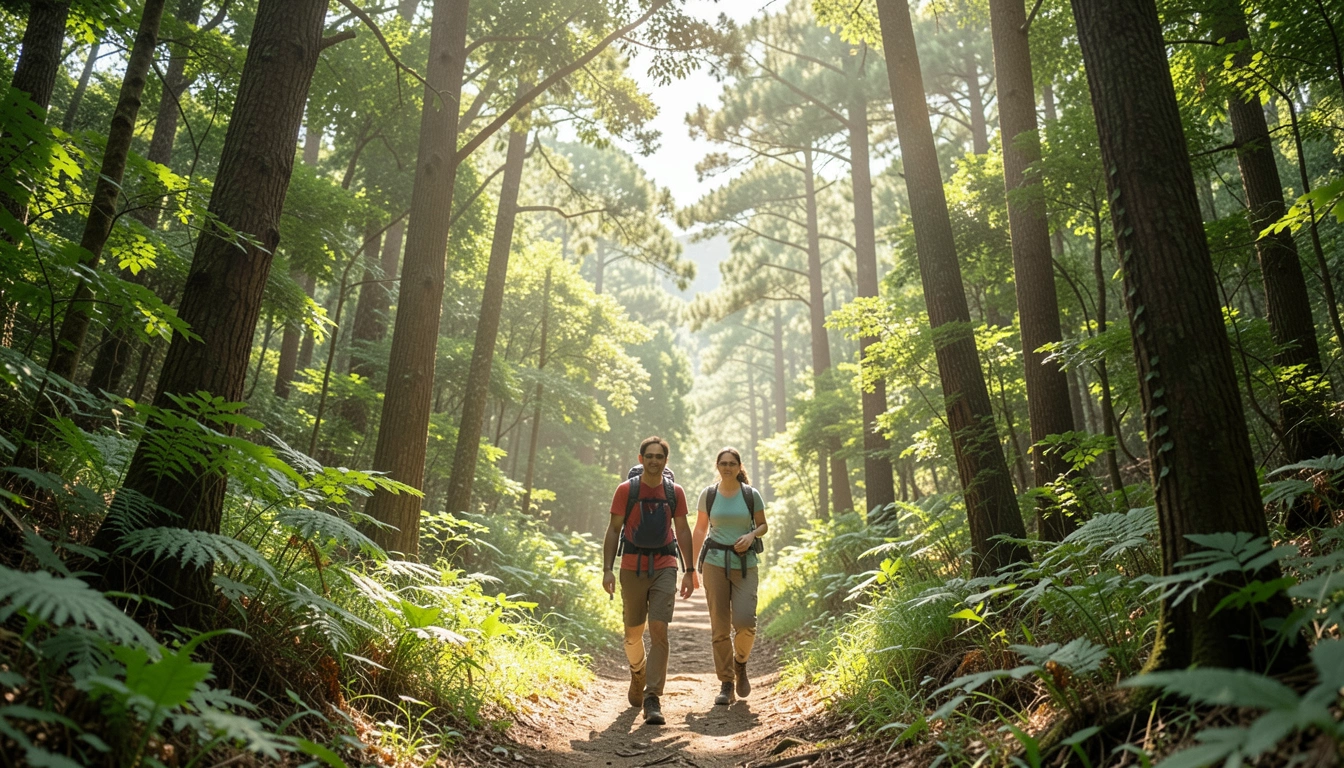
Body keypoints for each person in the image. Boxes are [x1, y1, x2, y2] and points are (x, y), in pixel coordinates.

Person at [602, 436, 696, 725]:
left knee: (659, 630)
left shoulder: (675, 492)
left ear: (666, 461)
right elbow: (613, 529)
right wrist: (607, 568)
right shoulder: (625, 490)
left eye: (660, 456)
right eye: (650, 456)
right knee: (632, 633)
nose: (654, 460)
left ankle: (652, 698)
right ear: (641, 458)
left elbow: (682, 530)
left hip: (665, 565)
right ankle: (637, 671)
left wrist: (690, 570)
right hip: (631, 565)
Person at [692, 447, 768, 706]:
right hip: (714, 563)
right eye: (723, 463)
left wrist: (751, 536)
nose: (727, 467)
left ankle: (741, 663)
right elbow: (700, 529)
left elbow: (763, 525)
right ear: (717, 466)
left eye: (732, 463)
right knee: (720, 627)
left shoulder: (750, 495)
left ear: (739, 466)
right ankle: (726, 683)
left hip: (746, 563)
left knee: (746, 621)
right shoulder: (709, 495)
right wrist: (691, 568)